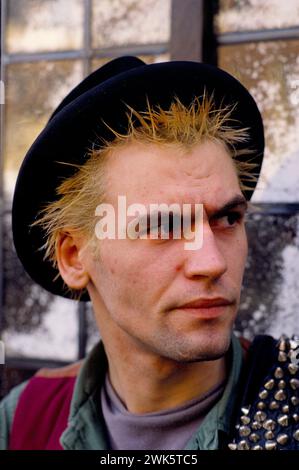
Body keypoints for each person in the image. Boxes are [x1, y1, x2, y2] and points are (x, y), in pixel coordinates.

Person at [0, 56, 298, 451]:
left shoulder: (286, 400)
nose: (212, 262)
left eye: (227, 218)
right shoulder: (24, 422)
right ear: (74, 257)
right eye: (163, 226)